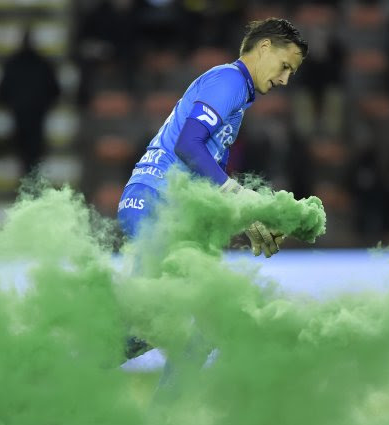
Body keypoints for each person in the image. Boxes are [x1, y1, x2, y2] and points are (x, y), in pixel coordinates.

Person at [117, 18, 308, 259]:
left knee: (166, 292)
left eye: (291, 72)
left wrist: (245, 215)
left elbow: (206, 173)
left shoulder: (236, 94)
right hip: (156, 200)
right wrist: (237, 193)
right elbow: (187, 145)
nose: (284, 79)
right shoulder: (230, 80)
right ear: (264, 47)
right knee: (166, 291)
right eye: (284, 66)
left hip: (156, 200)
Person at [0, 29, 60, 175]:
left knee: (24, 156)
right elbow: (55, 91)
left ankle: (26, 186)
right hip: (35, 117)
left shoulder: (12, 64)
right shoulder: (43, 63)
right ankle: (31, 186)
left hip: (22, 116)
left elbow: (0, 94)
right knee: (32, 156)